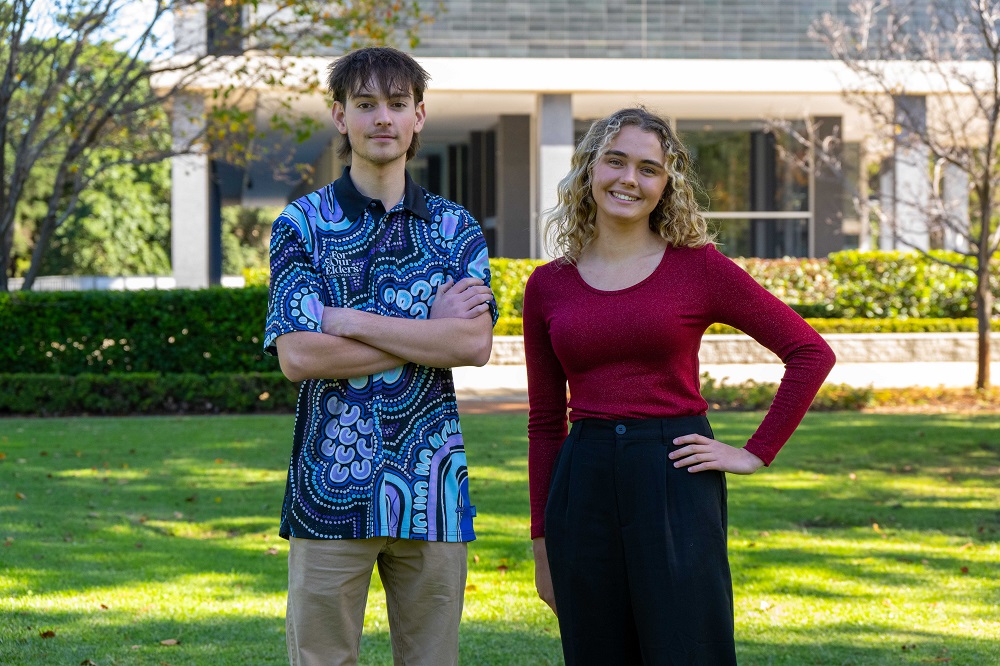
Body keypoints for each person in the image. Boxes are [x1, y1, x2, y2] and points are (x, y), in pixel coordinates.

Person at [523, 107, 836, 665]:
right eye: (615, 161)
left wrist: (754, 453)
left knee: (688, 650)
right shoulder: (549, 285)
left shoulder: (699, 268)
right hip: (583, 481)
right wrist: (542, 543)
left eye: (648, 169)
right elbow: (545, 421)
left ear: (667, 185)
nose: (629, 180)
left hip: (674, 475)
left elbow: (810, 352)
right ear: (589, 168)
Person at [263, 47, 497, 666]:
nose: (382, 118)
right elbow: (298, 356)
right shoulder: (301, 225)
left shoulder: (456, 229)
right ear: (340, 117)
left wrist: (349, 321)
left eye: (397, 104)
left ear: (419, 116)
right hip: (327, 486)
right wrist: (426, 331)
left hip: (433, 487)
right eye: (366, 105)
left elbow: (472, 343)